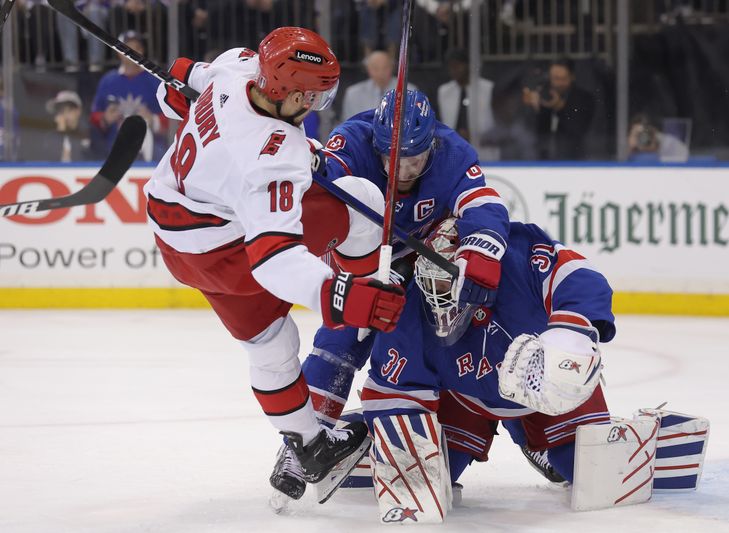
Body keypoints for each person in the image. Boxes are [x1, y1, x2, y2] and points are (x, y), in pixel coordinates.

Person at [144, 27, 406, 495]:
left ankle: (311, 446)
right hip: (231, 250)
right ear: (285, 91)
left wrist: (180, 93)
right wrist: (345, 296)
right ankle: (372, 285)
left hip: (178, 244)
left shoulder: (237, 66)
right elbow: (273, 261)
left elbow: (175, 89)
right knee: (360, 200)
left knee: (269, 341)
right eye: (311, 97)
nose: (313, 108)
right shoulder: (270, 158)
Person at [270, 88, 510, 500]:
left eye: (414, 161)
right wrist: (311, 165)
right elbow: (325, 180)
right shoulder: (354, 138)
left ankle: (431, 433)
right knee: (343, 336)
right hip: (357, 258)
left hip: (421, 266)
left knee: (427, 348)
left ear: (430, 144)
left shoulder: (455, 154)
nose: (401, 171)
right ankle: (302, 443)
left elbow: (483, 204)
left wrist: (483, 250)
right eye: (392, 161)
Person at [362, 217, 615, 522]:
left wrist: (571, 332)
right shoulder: (412, 305)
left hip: (543, 380)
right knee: (430, 477)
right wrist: (386, 441)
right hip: (464, 398)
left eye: (448, 285)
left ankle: (531, 435)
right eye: (434, 285)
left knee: (590, 470)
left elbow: (580, 276)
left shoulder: (518, 257)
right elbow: (394, 390)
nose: (438, 299)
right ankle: (354, 438)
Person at [89, 30, 168, 162]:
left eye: (137, 48)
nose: (132, 52)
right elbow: (94, 117)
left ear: (143, 51)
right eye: (127, 48)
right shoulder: (108, 81)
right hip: (113, 152)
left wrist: (153, 120)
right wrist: (105, 118)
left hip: (152, 152)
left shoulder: (156, 80)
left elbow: (173, 119)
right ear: (118, 52)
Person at [521, 56, 595, 160]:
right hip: (541, 159)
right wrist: (534, 108)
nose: (558, 84)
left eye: (563, 79)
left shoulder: (583, 98)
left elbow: (579, 131)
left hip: (574, 159)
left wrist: (561, 107)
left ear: (572, 77)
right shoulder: (543, 93)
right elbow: (531, 131)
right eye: (555, 78)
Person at [436, 48, 495, 143]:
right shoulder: (444, 91)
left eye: (457, 65)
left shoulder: (488, 88)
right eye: (451, 66)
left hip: (484, 146)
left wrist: (474, 135)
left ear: (468, 65)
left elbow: (494, 123)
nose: (454, 70)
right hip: (454, 146)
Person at [340, 50, 417, 120]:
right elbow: (348, 125)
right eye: (375, 68)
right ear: (368, 69)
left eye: (385, 68)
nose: (381, 73)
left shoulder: (410, 91)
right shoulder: (353, 93)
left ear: (392, 67)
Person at [55, 0, 110, 72]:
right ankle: (71, 63)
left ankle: (96, 63)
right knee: (63, 14)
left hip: (101, 8)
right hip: (77, 8)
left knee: (94, 12)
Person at [41, 90, 91, 162]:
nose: (64, 116)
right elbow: (49, 164)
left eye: (68, 110)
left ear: (78, 111)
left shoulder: (88, 135)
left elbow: (87, 162)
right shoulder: (50, 138)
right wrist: (60, 133)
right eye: (60, 111)